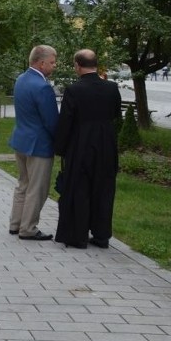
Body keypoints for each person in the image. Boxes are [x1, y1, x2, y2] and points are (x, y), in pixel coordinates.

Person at [54, 49, 122, 249]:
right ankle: (101, 236)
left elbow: (66, 121)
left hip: (81, 142)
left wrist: (61, 147)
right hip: (106, 143)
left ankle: (78, 235)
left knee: (80, 187)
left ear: (77, 65)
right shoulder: (111, 88)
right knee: (104, 188)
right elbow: (116, 113)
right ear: (96, 65)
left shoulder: (74, 90)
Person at [8, 45, 59, 241]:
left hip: (21, 139)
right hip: (39, 144)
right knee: (37, 188)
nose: (54, 66)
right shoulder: (43, 86)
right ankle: (28, 228)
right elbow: (51, 121)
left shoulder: (21, 79)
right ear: (41, 62)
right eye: (52, 62)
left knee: (23, 184)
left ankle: (16, 223)